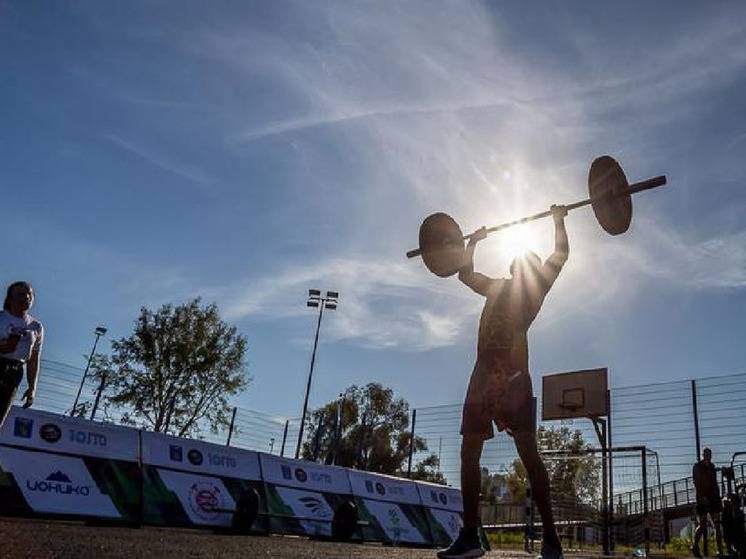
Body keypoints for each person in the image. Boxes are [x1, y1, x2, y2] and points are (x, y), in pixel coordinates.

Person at [437, 205, 569, 559]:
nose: (520, 266)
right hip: (483, 375)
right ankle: (469, 537)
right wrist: (474, 242)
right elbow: (465, 275)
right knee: (469, 451)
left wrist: (558, 219)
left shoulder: (536, 290)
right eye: (518, 261)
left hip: (513, 378)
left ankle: (552, 539)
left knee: (529, 455)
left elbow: (561, 253)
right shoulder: (496, 287)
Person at [0, 281, 44, 428]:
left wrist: (32, 388)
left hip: (15, 371)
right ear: (10, 298)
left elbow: (34, 360)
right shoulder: (1, 318)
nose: (26, 297)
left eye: (30, 294)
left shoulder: (36, 326)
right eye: (21, 294)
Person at [692, 447, 723, 558]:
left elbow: (714, 483)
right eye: (706, 454)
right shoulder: (697, 467)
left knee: (717, 524)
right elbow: (697, 482)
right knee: (703, 524)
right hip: (702, 498)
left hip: (713, 498)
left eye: (709, 454)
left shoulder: (712, 467)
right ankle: (695, 546)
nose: (708, 456)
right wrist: (703, 496)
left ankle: (719, 550)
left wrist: (717, 497)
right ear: (703, 455)